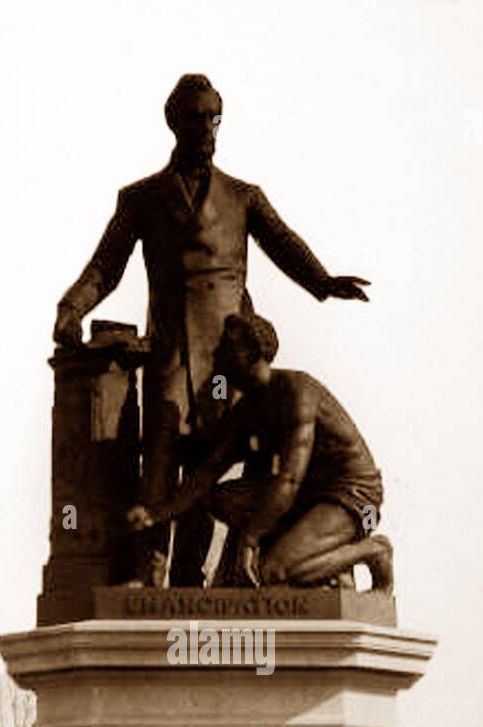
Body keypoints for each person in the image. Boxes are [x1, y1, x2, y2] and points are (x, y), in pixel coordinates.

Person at [54, 74, 370, 586]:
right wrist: (70, 310)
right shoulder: (141, 198)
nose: (207, 127)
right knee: (160, 458)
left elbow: (282, 241)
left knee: (209, 458)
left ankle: (187, 578)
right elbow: (105, 266)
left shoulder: (243, 196)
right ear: (174, 122)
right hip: (171, 355)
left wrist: (323, 281)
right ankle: (149, 575)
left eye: (214, 118)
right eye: (196, 117)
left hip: (225, 362)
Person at [127, 314, 393, 591]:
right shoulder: (247, 409)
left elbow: (290, 479)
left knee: (274, 571)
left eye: (226, 348)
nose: (217, 355)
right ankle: (318, 557)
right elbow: (208, 472)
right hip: (305, 496)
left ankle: (373, 550)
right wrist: (157, 514)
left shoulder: (296, 391)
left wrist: (250, 539)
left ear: (251, 352)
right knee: (221, 500)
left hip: (350, 494)